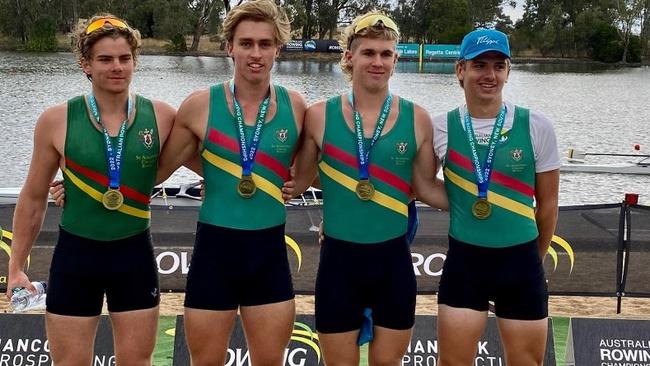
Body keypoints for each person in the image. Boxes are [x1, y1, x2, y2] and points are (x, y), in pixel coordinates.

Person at [6, 15, 176, 365]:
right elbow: (34, 197)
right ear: (85, 64)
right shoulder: (56, 120)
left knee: (137, 362)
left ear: (134, 62)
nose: (117, 67)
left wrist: (288, 177)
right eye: (105, 59)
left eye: (124, 58)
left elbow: (215, 160)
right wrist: (16, 266)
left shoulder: (161, 116)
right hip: (76, 257)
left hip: (134, 257)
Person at [290, 11, 447, 365]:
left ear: (395, 59)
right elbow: (299, 181)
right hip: (338, 264)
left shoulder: (418, 118)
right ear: (349, 57)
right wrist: (220, 177)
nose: (377, 61)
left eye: (385, 54)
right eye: (368, 53)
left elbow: (424, 188)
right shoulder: (318, 116)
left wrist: (494, 198)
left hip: (392, 263)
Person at [154, 0, 306, 364]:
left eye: (265, 44)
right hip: (214, 256)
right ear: (229, 48)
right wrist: (77, 184)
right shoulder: (199, 106)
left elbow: (320, 167)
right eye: (246, 43)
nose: (255, 54)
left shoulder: (297, 107)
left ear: (277, 50)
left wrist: (298, 184)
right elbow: (155, 171)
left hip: (268, 257)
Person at [432, 28, 560, 366]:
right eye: (479, 65)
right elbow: (415, 185)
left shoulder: (536, 125)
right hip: (465, 264)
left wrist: (535, 258)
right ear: (460, 70)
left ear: (508, 71)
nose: (489, 75)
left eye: (498, 66)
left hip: (520, 264)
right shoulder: (439, 127)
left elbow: (547, 206)